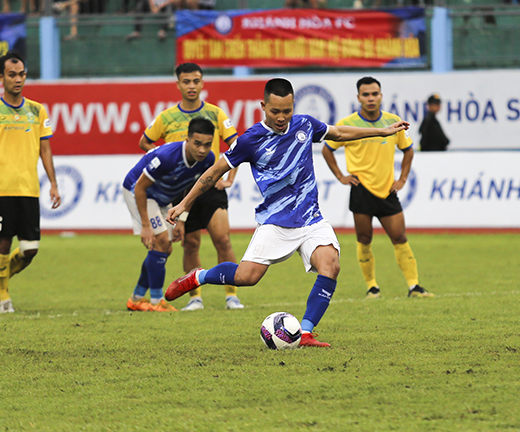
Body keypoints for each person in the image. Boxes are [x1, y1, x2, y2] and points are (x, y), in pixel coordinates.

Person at [164, 78, 410, 347]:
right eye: (275, 111)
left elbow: (338, 133)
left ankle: (305, 332)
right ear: (263, 107)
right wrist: (184, 204)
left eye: (287, 110)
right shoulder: (250, 140)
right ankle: (198, 276)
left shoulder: (305, 125)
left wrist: (383, 132)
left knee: (331, 265)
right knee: (247, 277)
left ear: (293, 106)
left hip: (310, 218)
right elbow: (212, 174)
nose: (282, 118)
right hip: (276, 222)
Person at [138, 62, 243, 311]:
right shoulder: (166, 117)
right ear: (178, 85)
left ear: (202, 83)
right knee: (191, 244)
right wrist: (164, 164)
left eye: (196, 81)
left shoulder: (217, 114)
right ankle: (195, 297)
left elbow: (237, 145)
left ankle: (232, 295)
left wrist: (228, 178)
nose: (192, 86)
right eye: (186, 81)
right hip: (180, 192)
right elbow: (145, 141)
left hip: (210, 188)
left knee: (223, 239)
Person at [321, 77, 434, 299]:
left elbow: (408, 150)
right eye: (366, 94)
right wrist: (340, 176)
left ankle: (414, 286)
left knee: (400, 237)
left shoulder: (393, 122)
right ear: (358, 98)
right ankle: (372, 287)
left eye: (374, 94)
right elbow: (327, 149)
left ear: (381, 95)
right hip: (361, 189)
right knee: (364, 239)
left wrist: (402, 179)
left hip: (387, 190)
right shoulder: (347, 123)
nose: (371, 98)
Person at [0, 51, 61, 314]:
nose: (18, 79)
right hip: (0, 190)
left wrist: (54, 183)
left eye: (21, 74)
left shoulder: (37, 110)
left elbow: (45, 149)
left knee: (30, 249)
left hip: (28, 190)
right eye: (12, 74)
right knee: (1, 245)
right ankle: (4, 297)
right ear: (1, 78)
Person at [123, 118, 217, 312]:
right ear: (188, 139)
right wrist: (146, 226)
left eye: (207, 145)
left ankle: (137, 298)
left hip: (163, 198)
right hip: (138, 192)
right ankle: (157, 301)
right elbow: (140, 187)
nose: (202, 149)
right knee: (161, 243)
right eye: (197, 144)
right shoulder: (167, 156)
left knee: (165, 249)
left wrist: (181, 220)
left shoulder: (208, 160)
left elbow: (192, 188)